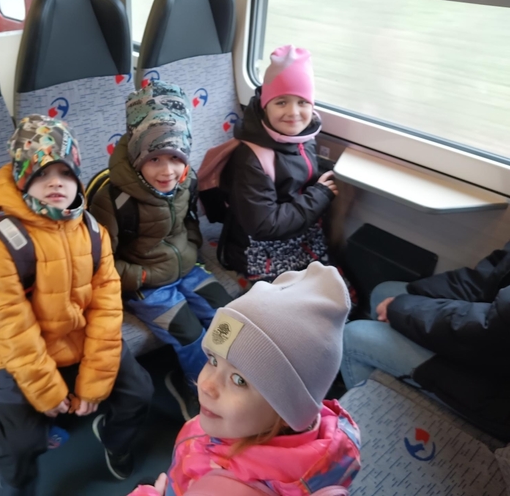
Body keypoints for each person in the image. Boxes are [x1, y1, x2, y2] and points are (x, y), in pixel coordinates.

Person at [0, 115, 154, 495]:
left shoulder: (92, 231)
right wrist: (47, 390)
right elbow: (10, 328)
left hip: (84, 340)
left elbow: (107, 306)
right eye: (41, 173)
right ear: (21, 178)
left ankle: (115, 440)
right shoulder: (0, 245)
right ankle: (16, 486)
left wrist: (94, 380)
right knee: (22, 442)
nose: (56, 182)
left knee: (139, 392)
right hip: (29, 354)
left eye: (65, 173)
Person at [128, 262, 361, 496]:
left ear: (287, 413)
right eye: (213, 360)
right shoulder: (313, 435)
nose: (207, 385)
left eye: (239, 380)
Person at [90, 81, 232, 421]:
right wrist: (140, 276)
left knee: (227, 317)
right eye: (154, 158)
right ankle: (198, 388)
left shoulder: (186, 180)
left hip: (186, 266)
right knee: (189, 332)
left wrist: (192, 246)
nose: (167, 170)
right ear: (138, 154)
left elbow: (189, 220)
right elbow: (100, 261)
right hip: (145, 281)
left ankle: (230, 380)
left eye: (175, 158)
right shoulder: (112, 197)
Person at [340, 240, 510, 440]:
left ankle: (371, 437)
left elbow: (490, 328)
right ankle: (393, 400)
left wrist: (402, 309)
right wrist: (418, 295)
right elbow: (487, 278)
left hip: (497, 385)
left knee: (353, 336)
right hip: (491, 343)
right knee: (384, 292)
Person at [219, 45, 338, 282]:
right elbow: (264, 225)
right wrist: (319, 196)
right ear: (265, 105)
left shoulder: (304, 137)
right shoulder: (252, 159)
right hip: (260, 248)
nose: (293, 112)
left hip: (300, 234)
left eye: (302, 102)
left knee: (338, 292)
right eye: (281, 102)